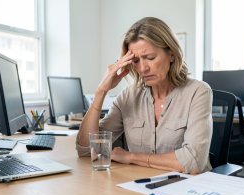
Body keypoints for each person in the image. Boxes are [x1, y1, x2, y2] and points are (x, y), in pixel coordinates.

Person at [76, 17, 212, 174]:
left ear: (171, 55)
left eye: (150, 58)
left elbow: (192, 162)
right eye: (135, 61)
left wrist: (131, 157)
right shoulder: (128, 96)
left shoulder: (198, 92)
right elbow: (86, 150)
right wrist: (101, 92)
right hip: (142, 187)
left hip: (190, 189)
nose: (142, 68)